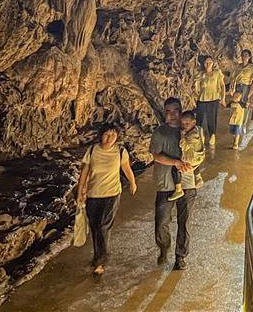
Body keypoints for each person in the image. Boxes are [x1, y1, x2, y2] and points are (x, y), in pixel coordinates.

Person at [75, 123, 137, 276]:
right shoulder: (92, 150)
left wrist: (133, 182)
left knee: (104, 226)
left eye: (113, 135)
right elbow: (84, 172)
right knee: (95, 227)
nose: (110, 138)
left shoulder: (120, 151)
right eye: (107, 135)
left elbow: (126, 168)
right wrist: (80, 191)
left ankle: (101, 262)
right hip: (93, 194)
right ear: (101, 135)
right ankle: (97, 256)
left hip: (112, 194)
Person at [151, 97, 196, 270]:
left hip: (187, 182)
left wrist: (193, 165)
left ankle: (181, 256)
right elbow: (156, 155)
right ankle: (164, 248)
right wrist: (176, 163)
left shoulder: (191, 131)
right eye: (168, 111)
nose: (172, 115)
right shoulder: (160, 133)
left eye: (175, 110)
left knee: (184, 222)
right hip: (166, 184)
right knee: (161, 221)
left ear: (181, 110)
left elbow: (200, 152)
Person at [168, 110, 205, 200]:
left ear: (194, 122)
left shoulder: (190, 136)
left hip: (191, 158)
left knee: (175, 169)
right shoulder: (198, 129)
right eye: (182, 124)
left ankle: (178, 189)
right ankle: (198, 177)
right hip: (199, 156)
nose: (184, 126)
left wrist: (182, 136)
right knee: (195, 165)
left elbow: (182, 145)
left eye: (187, 123)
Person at [194, 56, 224, 151]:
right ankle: (199, 136)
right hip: (202, 99)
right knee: (200, 119)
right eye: (206, 62)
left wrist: (222, 98)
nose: (208, 64)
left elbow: (222, 85)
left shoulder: (217, 73)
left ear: (213, 63)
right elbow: (195, 86)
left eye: (210, 62)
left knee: (211, 118)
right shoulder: (201, 74)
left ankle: (212, 135)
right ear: (203, 64)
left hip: (213, 98)